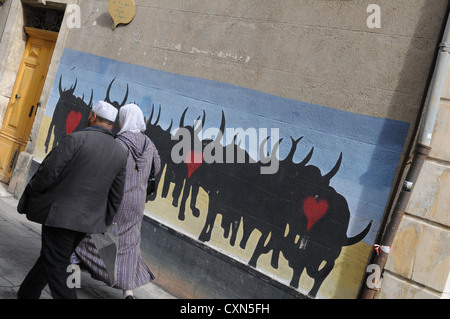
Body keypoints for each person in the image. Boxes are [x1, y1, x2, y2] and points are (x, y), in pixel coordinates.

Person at [17, 101, 128, 299]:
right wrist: (103, 220)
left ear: (93, 116)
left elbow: (48, 172)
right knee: (51, 257)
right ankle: (26, 293)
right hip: (88, 221)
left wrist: (33, 191)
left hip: (60, 215)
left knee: (57, 263)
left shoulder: (76, 139)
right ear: (112, 124)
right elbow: (116, 194)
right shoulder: (120, 153)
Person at [74, 103, 161, 299]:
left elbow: (105, 171)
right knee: (129, 245)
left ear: (122, 119)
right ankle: (127, 292)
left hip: (115, 201)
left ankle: (69, 269)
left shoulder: (119, 144)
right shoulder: (150, 145)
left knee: (92, 237)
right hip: (137, 204)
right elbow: (157, 167)